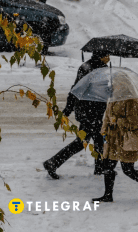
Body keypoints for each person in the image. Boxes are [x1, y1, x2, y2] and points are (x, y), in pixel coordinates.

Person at [43, 51, 110, 179]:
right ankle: (52, 163)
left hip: (92, 111)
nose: (109, 58)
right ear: (101, 56)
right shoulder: (90, 69)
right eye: (107, 55)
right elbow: (76, 89)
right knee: (83, 142)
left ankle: (100, 168)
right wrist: (67, 110)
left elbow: (101, 90)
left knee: (98, 139)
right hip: (90, 111)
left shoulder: (95, 68)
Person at [93, 98, 138, 203]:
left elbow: (136, 123)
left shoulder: (130, 102)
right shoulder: (112, 100)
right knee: (108, 166)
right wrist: (103, 131)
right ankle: (108, 195)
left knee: (128, 170)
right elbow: (107, 117)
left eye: (115, 85)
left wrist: (117, 121)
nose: (112, 86)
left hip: (126, 140)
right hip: (112, 139)